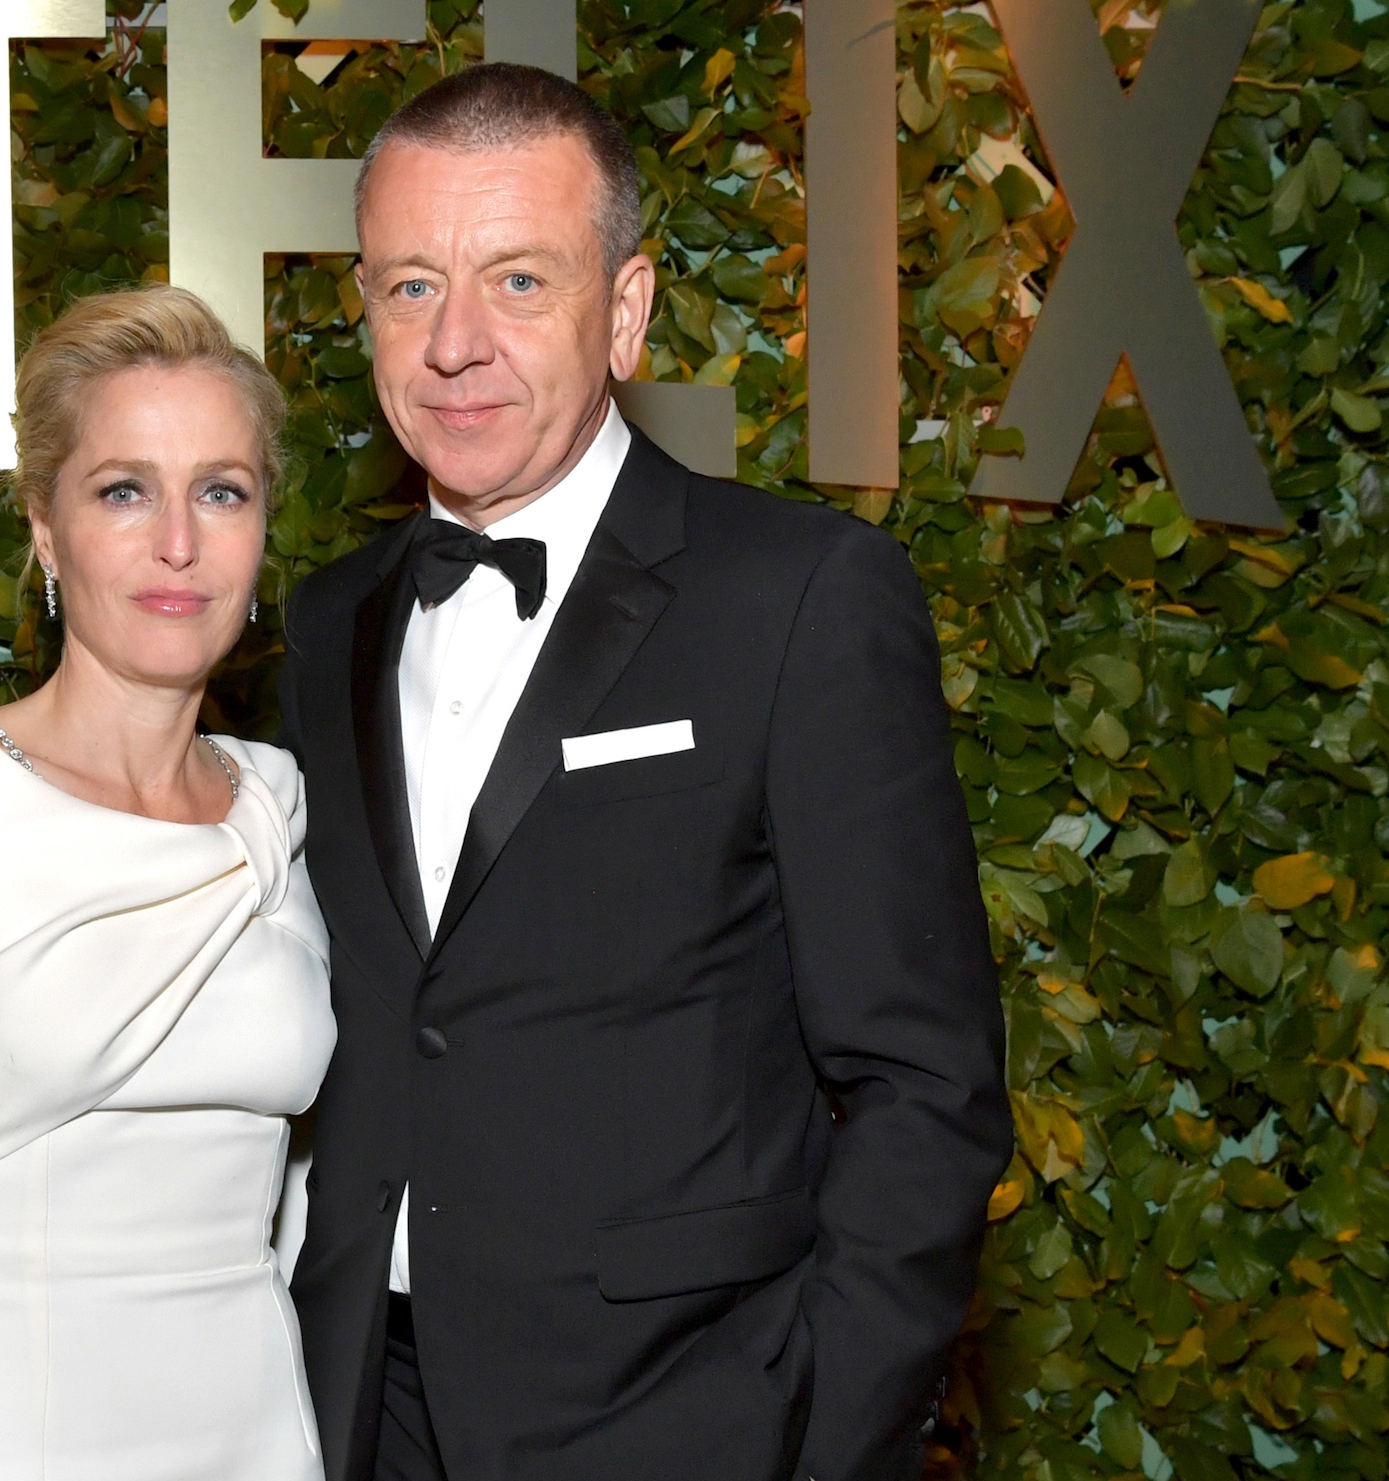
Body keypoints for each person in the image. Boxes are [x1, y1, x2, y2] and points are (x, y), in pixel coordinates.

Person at [277, 64, 1012, 1481]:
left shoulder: (798, 597)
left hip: (686, 1421)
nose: (455, 344)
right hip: (366, 1414)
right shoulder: (328, 621)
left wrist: (825, 1440)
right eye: (412, 287)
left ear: (624, 312)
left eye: (519, 281)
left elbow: (925, 1083)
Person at [0, 284, 334, 1481]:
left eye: (222, 491)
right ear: (46, 528)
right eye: (124, 489)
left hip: (260, 1444)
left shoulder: (282, 803)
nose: (178, 542)